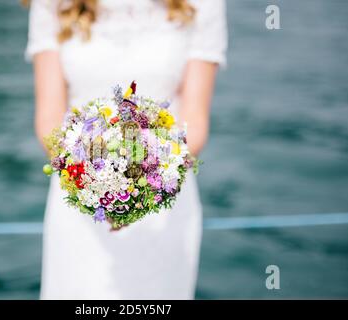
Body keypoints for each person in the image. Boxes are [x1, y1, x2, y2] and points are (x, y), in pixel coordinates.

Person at [25, 0, 227, 299]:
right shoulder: (52, 4)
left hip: (162, 197)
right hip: (79, 196)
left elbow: (194, 121)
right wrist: (91, 186)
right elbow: (49, 119)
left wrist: (147, 184)